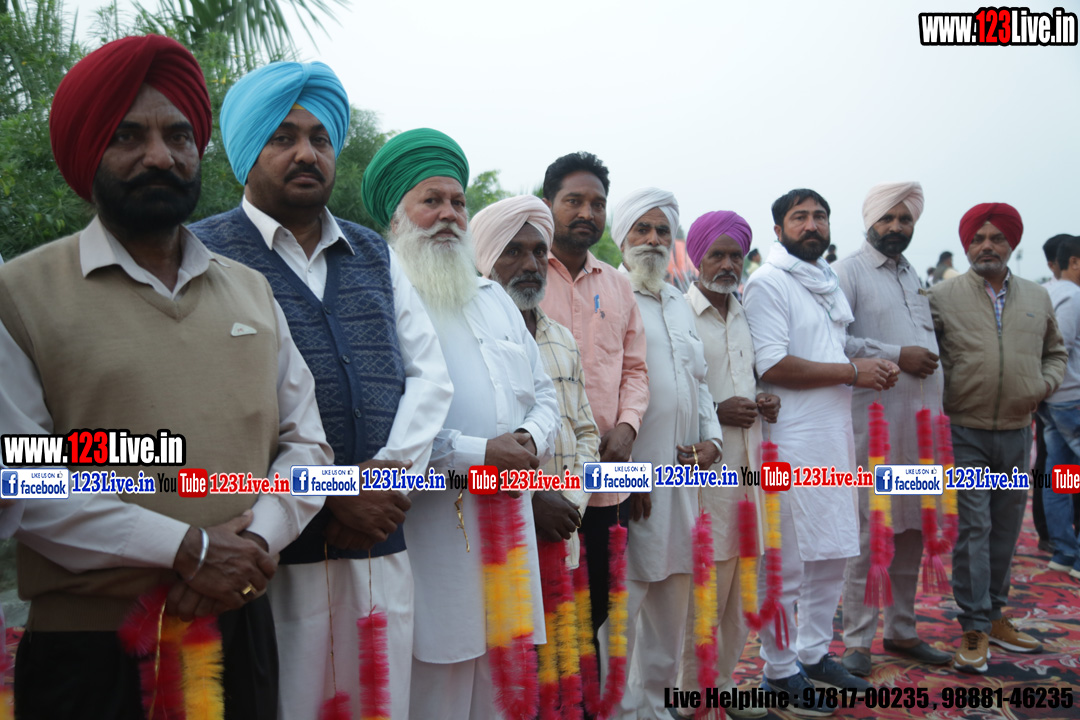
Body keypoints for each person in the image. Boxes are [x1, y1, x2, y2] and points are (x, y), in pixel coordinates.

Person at [0, 35, 332, 718]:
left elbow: (308, 447)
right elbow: (23, 478)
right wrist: (187, 548)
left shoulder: (252, 292)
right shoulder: (21, 295)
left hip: (239, 632)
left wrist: (254, 542)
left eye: (179, 136)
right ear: (88, 150)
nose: (160, 156)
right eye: (128, 136)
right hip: (92, 656)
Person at [189, 61, 453, 720]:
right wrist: (333, 492)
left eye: (319, 138)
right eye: (283, 137)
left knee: (381, 701)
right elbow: (206, 405)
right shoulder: (202, 252)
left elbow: (429, 376)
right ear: (247, 152)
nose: (306, 153)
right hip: (268, 550)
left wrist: (382, 481)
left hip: (377, 543)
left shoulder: (373, 253)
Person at [360, 128, 559, 720]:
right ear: (396, 215)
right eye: (432, 201)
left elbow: (544, 393)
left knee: (503, 681)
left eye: (458, 202)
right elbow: (384, 425)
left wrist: (529, 439)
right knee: (438, 683)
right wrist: (478, 452)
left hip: (509, 520)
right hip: (431, 530)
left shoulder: (492, 297)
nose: (449, 214)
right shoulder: (378, 298)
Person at [742, 189, 899, 714]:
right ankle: (779, 669)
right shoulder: (769, 283)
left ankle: (812, 654)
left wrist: (876, 362)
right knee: (787, 564)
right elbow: (772, 364)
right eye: (800, 217)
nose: (812, 225)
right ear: (779, 229)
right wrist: (853, 373)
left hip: (832, 437)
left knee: (832, 552)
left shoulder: (824, 281)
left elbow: (832, 349)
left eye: (820, 216)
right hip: (789, 442)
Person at [600, 188, 722, 719]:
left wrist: (713, 439)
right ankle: (619, 710)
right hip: (629, 488)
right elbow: (601, 393)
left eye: (662, 231)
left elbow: (701, 382)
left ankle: (656, 706)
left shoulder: (678, 300)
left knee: (672, 608)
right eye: (642, 229)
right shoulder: (609, 295)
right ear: (622, 237)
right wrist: (624, 480)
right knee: (620, 613)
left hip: (683, 485)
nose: (653, 239)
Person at [929, 202, 1066, 673]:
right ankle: (973, 625)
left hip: (1017, 430)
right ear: (967, 245)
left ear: (1012, 244)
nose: (986, 246)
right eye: (978, 239)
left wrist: (1042, 386)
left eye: (996, 238)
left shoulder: (1037, 296)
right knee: (975, 527)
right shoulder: (941, 297)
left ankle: (994, 615)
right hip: (963, 430)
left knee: (1006, 527)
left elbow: (1055, 352)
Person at [833, 182, 952, 677]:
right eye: (888, 218)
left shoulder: (911, 275)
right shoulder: (847, 272)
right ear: (870, 221)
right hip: (874, 428)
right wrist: (898, 355)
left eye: (905, 219)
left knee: (913, 528)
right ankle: (858, 639)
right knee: (871, 530)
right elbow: (836, 342)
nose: (897, 227)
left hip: (920, 429)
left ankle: (902, 629)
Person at [539, 152, 650, 638]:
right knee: (544, 610)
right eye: (574, 201)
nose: (587, 213)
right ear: (548, 203)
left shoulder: (618, 285)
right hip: (543, 480)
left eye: (597, 204)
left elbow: (635, 370)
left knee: (598, 605)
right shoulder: (520, 273)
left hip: (606, 474)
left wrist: (627, 427)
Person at [678, 209, 778, 720]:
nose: (727, 264)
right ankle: (689, 692)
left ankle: (721, 683)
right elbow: (678, 392)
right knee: (705, 587)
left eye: (735, 255)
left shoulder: (744, 313)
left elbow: (751, 375)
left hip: (751, 470)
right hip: (705, 472)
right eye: (716, 254)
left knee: (743, 585)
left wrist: (764, 401)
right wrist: (717, 411)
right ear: (697, 258)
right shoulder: (679, 314)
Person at [471, 195, 597, 557]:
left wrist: (571, 499)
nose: (531, 265)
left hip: (564, 526)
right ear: (486, 258)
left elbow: (586, 433)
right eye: (513, 252)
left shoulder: (562, 338)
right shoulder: (467, 336)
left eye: (540, 252)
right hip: (496, 531)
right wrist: (533, 497)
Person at [1038, 234, 1080, 582]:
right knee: (1059, 479)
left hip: (1054, 400)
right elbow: (1059, 347)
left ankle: (1065, 553)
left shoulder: (1048, 292)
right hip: (1071, 399)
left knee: (1060, 477)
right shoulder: (1072, 296)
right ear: (1074, 262)